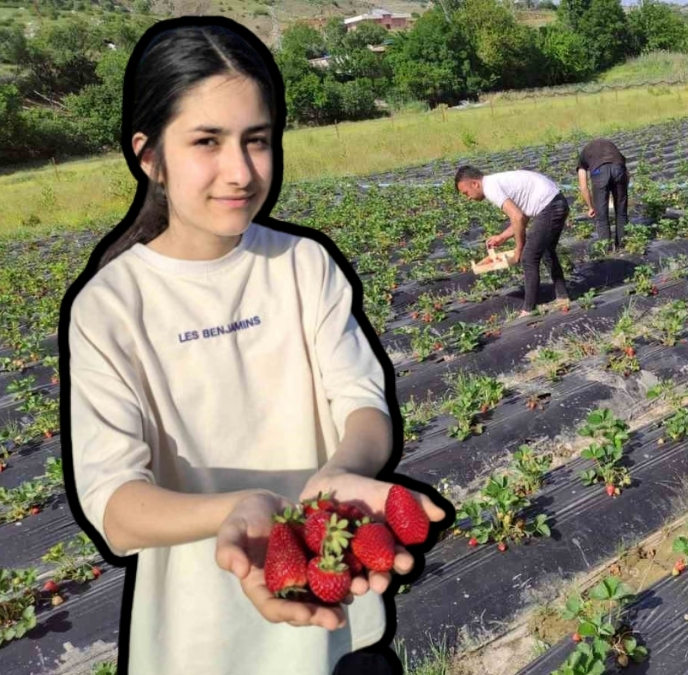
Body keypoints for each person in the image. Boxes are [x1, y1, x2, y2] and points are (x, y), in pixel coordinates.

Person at [61, 20, 446, 675]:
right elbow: (115, 507)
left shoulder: (303, 264)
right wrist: (237, 511)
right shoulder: (112, 306)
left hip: (338, 616)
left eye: (257, 141)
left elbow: (362, 402)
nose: (239, 171)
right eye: (206, 141)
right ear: (148, 156)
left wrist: (340, 471)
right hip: (204, 640)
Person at [455, 165, 570, 318]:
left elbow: (518, 217)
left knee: (528, 257)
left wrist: (518, 249)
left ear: (475, 184)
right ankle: (562, 297)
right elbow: (522, 215)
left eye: (466, 193)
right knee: (546, 250)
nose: (468, 197)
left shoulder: (491, 188)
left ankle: (528, 310)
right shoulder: (495, 182)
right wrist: (502, 236)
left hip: (551, 206)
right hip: (556, 202)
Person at [576, 138, 629, 251]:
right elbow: (626, 172)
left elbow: (584, 186)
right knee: (621, 213)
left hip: (599, 172)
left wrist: (591, 207)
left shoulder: (583, 155)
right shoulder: (611, 147)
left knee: (602, 216)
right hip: (619, 169)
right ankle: (623, 246)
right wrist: (623, 190)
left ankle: (607, 250)